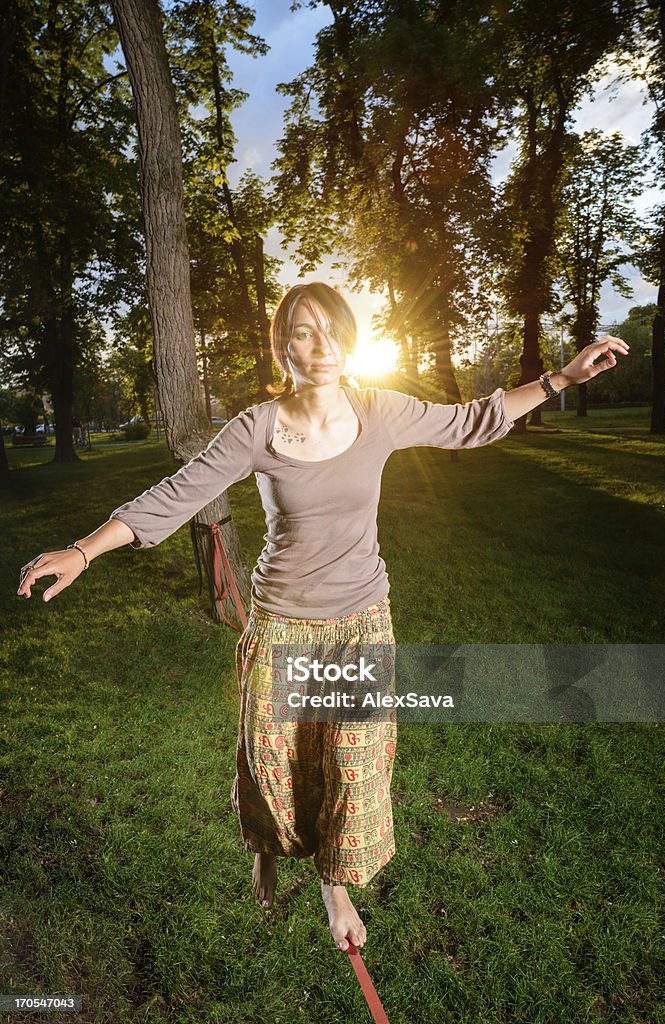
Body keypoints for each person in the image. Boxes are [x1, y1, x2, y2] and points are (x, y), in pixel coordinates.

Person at [17, 282, 629, 952]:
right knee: (273, 763)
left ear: (350, 339)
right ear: (284, 345)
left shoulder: (380, 412)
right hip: (282, 622)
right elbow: (176, 494)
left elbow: (468, 421)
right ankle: (270, 846)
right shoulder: (256, 427)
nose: (320, 346)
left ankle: (334, 885)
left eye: (331, 330)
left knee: (351, 759)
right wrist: (82, 550)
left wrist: (560, 378)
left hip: (362, 619)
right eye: (303, 332)